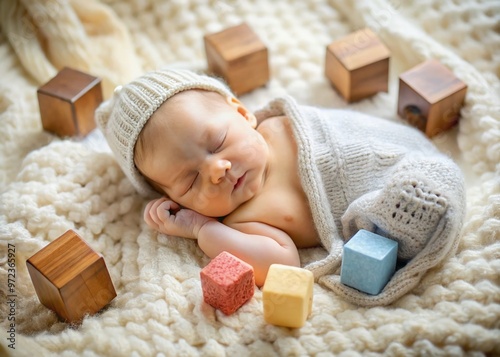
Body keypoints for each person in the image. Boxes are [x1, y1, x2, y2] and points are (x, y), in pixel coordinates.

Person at [96, 69, 465, 306]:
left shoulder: (280, 124)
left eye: (218, 142)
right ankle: (419, 199)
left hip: (384, 154)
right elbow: (280, 261)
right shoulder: (242, 220)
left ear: (242, 113)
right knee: (409, 210)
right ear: (173, 200)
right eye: (190, 180)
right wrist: (201, 228)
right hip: (389, 196)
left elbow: (346, 129)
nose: (216, 170)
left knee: (413, 175)